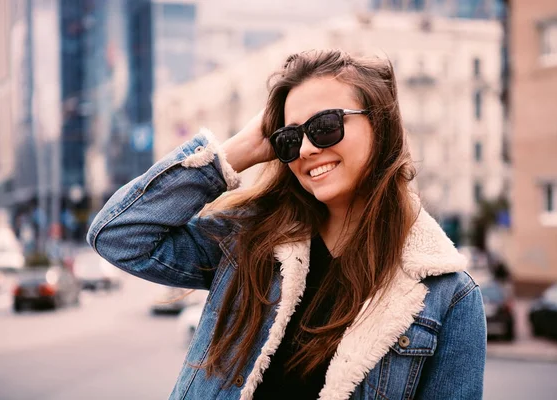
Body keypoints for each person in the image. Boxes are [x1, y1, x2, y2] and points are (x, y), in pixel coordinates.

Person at [87, 50, 486, 400]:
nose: (308, 149)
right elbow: (118, 236)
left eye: (326, 125)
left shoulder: (447, 297)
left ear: (380, 125)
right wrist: (238, 150)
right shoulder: (248, 241)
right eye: (290, 138)